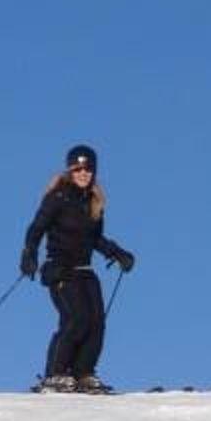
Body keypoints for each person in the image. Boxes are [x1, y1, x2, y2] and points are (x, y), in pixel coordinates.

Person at [21, 144, 136, 393]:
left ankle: (84, 372)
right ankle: (56, 373)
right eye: (78, 168)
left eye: (88, 169)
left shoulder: (94, 202)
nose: (83, 173)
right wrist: (29, 254)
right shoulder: (57, 198)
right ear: (70, 170)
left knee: (96, 322)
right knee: (77, 318)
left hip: (84, 270)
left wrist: (117, 253)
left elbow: (95, 238)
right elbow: (36, 229)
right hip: (61, 269)